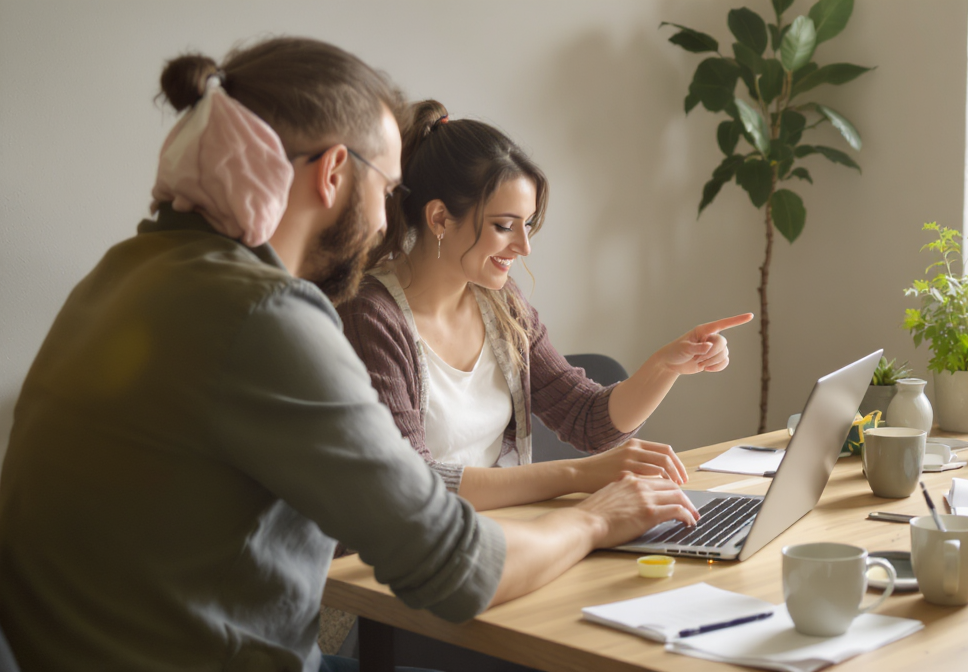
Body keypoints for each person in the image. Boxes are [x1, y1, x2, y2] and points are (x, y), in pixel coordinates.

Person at [0, 38, 697, 671]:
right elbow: (456, 569)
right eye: (390, 189)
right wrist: (598, 514)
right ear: (336, 172)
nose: (388, 219)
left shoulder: (125, 270)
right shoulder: (266, 314)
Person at [337, 100, 752, 511]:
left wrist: (666, 365)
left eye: (527, 224)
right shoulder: (371, 316)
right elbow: (410, 482)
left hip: (501, 538)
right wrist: (578, 475)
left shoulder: (501, 305)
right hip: (404, 559)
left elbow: (588, 420)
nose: (524, 246)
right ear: (440, 219)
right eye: (504, 226)